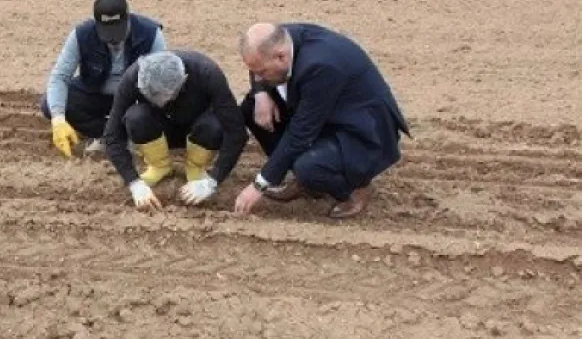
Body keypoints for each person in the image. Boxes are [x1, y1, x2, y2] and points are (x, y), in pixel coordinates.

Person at [233, 22, 410, 219]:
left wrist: (259, 185)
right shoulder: (278, 39)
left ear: (281, 56)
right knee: (251, 109)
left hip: (363, 127)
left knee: (308, 167)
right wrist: (260, 93)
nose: (258, 77)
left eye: (262, 73)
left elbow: (300, 134)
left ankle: (355, 186)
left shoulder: (320, 66)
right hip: (326, 110)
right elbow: (257, 64)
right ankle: (308, 184)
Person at [105, 51, 248, 211]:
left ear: (184, 80)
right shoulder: (133, 77)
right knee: (135, 117)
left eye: (164, 98)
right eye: (152, 97)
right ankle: (160, 166)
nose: (159, 103)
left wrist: (213, 181)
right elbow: (112, 135)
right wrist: (134, 183)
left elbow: (237, 131)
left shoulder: (207, 74)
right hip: (159, 131)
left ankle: (195, 168)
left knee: (215, 124)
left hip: (200, 130)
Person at [40, 0, 166, 158]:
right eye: (107, 31)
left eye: (118, 30)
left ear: (128, 18)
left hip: (133, 98)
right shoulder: (81, 35)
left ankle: (133, 136)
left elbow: (161, 82)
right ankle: (107, 135)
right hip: (96, 92)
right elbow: (60, 77)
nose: (113, 38)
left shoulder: (151, 34)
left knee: (142, 116)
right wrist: (58, 119)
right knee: (49, 103)